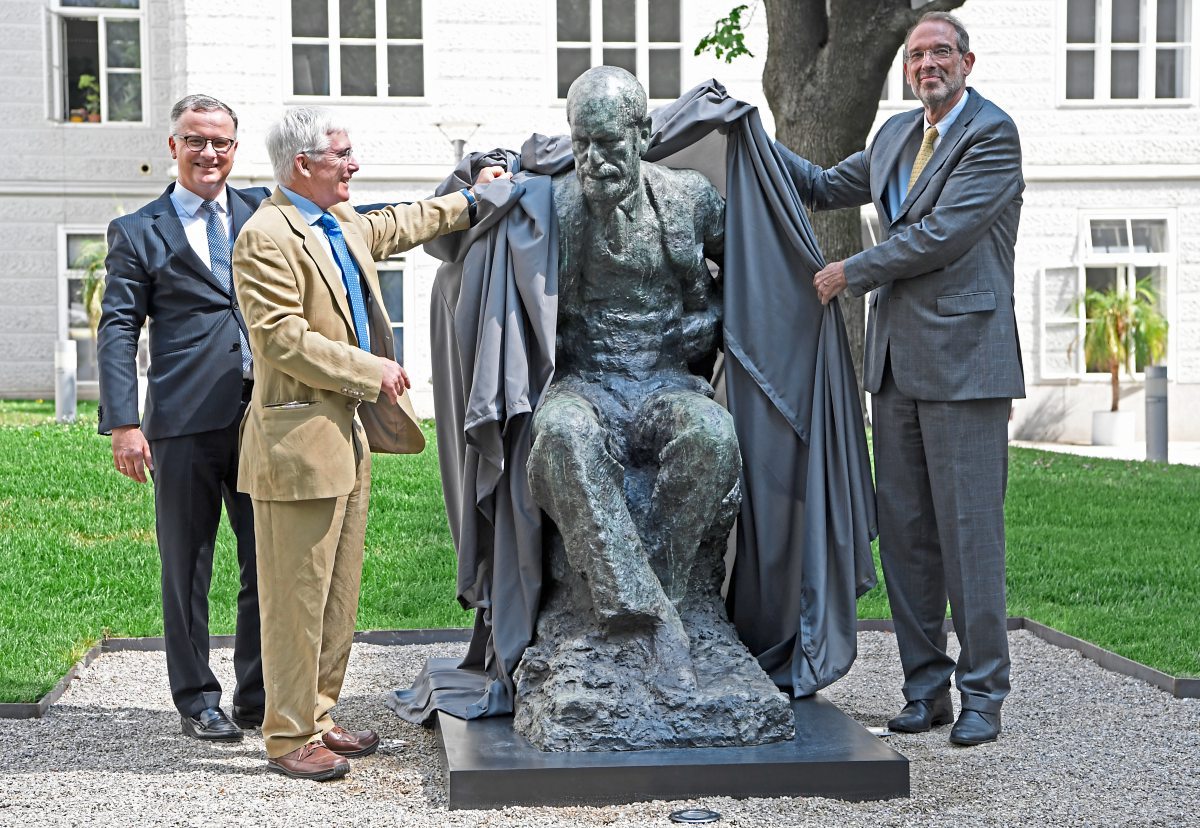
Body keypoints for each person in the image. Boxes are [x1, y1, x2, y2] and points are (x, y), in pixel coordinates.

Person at [232, 105, 506, 781]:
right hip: (296, 445)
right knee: (296, 598)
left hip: (343, 438)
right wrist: (371, 369)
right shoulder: (266, 235)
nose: (354, 165)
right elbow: (281, 339)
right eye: (343, 155)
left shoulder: (340, 221)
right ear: (304, 165)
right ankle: (288, 736)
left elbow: (401, 222)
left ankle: (319, 714)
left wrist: (473, 198)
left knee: (337, 593)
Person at [782, 11, 1025, 746]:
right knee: (909, 534)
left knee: (968, 536)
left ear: (967, 61)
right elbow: (825, 185)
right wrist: (747, 137)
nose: (927, 64)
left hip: (967, 366)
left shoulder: (992, 135)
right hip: (893, 368)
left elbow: (941, 234)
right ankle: (927, 689)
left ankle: (983, 694)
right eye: (917, 54)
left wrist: (848, 272)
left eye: (940, 52)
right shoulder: (893, 136)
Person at [525, 66, 736, 683]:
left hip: (665, 381)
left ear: (643, 135)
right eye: (582, 143)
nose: (593, 159)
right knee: (562, 436)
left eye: (609, 143)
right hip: (586, 383)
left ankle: (659, 599)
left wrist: (716, 320)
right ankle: (645, 618)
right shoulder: (557, 207)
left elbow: (756, 269)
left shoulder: (689, 198)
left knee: (712, 437)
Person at [97, 94, 269, 742]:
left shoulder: (262, 211)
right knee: (186, 567)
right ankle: (197, 697)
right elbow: (117, 328)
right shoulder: (140, 230)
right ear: (173, 147)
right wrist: (123, 422)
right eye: (196, 141)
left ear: (234, 147)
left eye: (221, 142)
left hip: (263, 419)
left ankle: (256, 696)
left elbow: (343, 219)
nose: (209, 153)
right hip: (183, 421)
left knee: (267, 565)